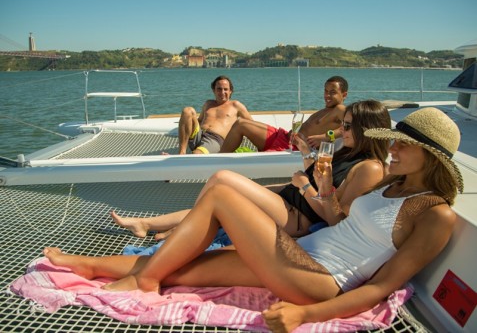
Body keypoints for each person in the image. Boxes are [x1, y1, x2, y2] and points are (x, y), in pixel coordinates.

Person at [43, 107, 463, 332]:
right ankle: (89, 265)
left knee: (224, 188)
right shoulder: (391, 184)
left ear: (431, 156)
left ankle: (143, 280)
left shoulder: (434, 214)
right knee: (184, 267)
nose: (391, 148)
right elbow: (340, 221)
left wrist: (306, 316)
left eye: (402, 145)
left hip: (319, 279)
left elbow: (381, 287)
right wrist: (324, 188)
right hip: (298, 256)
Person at [112, 100, 391, 240]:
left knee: (222, 180)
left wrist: (305, 187)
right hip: (291, 197)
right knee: (217, 197)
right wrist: (307, 156)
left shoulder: (370, 168)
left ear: (367, 129)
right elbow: (320, 182)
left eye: (347, 125)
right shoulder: (348, 151)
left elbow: (335, 220)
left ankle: (181, 233)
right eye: (343, 123)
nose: (340, 130)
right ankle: (149, 224)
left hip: (297, 216)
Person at [219, 75, 348, 153]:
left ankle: (217, 163)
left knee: (241, 124)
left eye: (332, 92)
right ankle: (219, 159)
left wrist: (326, 136)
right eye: (325, 91)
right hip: (284, 136)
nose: (327, 95)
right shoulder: (326, 109)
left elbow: (355, 127)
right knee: (240, 124)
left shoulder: (340, 109)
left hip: (293, 148)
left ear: (344, 94)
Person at [177, 75, 252, 154]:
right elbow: (199, 120)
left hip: (215, 139)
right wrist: (183, 133)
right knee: (187, 111)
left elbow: (251, 124)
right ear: (214, 90)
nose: (222, 92)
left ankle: (188, 157)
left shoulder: (236, 105)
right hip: (199, 135)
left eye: (225, 89)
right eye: (219, 89)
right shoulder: (208, 103)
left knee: (197, 154)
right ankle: (182, 152)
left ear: (230, 91)